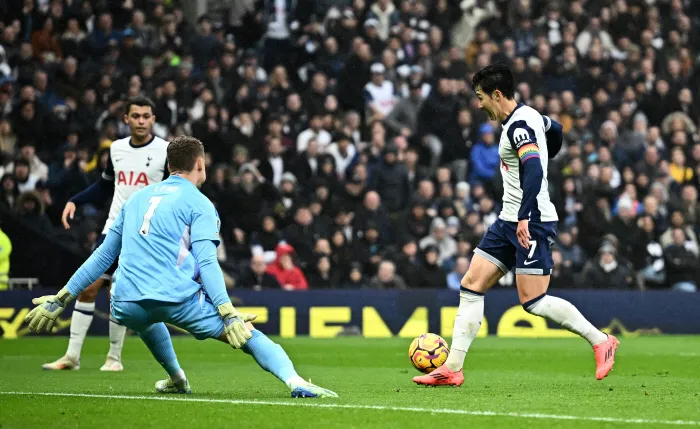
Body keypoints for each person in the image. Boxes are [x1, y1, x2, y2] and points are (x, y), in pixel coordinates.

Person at [24, 136, 337, 398]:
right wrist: (227, 310)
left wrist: (61, 298)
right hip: (178, 299)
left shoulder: (136, 199)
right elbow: (207, 261)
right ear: (200, 164)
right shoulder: (200, 203)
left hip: (125, 302)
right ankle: (295, 381)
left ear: (168, 165)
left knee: (146, 318)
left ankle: (177, 378)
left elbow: (102, 257)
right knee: (248, 335)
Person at [414, 63, 618, 387]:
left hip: (531, 220)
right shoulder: (531, 116)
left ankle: (601, 340)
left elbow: (534, 168)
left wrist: (524, 215)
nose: (479, 104)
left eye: (481, 97)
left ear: (497, 94)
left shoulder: (518, 127)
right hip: (508, 220)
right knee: (471, 284)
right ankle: (453, 368)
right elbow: (556, 129)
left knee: (533, 301)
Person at [42, 96, 169, 372]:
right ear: (126, 119)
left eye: (146, 116)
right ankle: (72, 357)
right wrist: (75, 200)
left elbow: (174, 191)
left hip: (144, 235)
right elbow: (104, 185)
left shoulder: (165, 151)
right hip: (113, 229)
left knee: (117, 293)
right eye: (135, 116)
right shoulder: (116, 148)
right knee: (88, 287)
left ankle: (114, 358)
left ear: (153, 119)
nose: (141, 121)